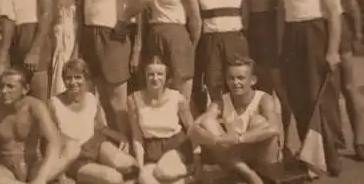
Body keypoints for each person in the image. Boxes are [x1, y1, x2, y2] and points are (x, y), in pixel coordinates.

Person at [277, 0, 342, 178]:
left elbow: (334, 15)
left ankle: (331, 158)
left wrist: (332, 50)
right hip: (292, 37)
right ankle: (311, 160)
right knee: (298, 98)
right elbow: (283, 14)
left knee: (318, 98)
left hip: (315, 33)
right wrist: (281, 44)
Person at [79, 0, 151, 138]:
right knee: (98, 96)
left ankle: (131, 143)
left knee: (117, 99)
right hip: (90, 35)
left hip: (110, 37)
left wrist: (123, 19)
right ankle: (115, 140)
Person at [306, 0, 364, 161]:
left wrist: (358, 33)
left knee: (348, 87)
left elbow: (351, 1)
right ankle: (331, 141)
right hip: (314, 30)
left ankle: (360, 140)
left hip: (339, 27)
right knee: (324, 91)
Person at [236, 0, 292, 154]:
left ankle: (288, 142)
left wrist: (279, 40)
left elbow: (281, 6)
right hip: (249, 30)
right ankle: (263, 144)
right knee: (257, 88)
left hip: (269, 28)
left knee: (279, 88)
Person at [0, 67, 79, 184]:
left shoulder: (35, 107)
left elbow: (54, 142)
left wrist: (41, 177)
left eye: (10, 86)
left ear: (25, 89)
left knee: (73, 146)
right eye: (1, 86)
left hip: (34, 167)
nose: (4, 91)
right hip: (6, 170)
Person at [189, 56, 282, 184]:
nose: (235, 82)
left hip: (261, 155)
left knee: (258, 121)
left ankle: (251, 172)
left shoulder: (263, 99)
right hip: (235, 155)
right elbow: (194, 128)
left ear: (253, 80)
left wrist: (240, 138)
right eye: (231, 78)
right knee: (207, 121)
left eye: (241, 78)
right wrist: (217, 140)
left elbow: (275, 128)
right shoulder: (221, 101)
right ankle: (247, 173)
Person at [48, 59, 137, 184]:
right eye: (69, 78)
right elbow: (51, 141)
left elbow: (98, 126)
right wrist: (61, 174)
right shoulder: (54, 104)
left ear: (85, 79)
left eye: (78, 77)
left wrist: (119, 136)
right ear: (63, 80)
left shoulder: (91, 98)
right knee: (113, 178)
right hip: (76, 156)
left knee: (127, 164)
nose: (73, 82)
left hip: (96, 144)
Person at [144, 0, 201, 101]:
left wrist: (192, 45)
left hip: (176, 34)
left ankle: (185, 124)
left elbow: (195, 17)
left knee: (181, 85)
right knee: (158, 84)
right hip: (155, 33)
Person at [195, 0, 249, 111]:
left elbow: (246, 20)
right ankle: (223, 121)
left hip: (234, 39)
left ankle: (242, 120)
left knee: (238, 81)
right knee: (214, 82)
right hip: (211, 41)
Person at [127, 56, 196, 184]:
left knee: (163, 172)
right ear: (145, 76)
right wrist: (141, 167)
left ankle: (191, 172)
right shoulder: (133, 100)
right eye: (151, 74)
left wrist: (197, 158)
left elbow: (192, 128)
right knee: (145, 179)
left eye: (160, 74)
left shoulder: (177, 98)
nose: (155, 78)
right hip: (151, 150)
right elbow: (137, 137)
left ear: (166, 77)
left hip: (176, 145)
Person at [46, 0, 83, 96]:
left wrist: (77, 47)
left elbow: (81, 19)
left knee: (68, 72)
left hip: (70, 35)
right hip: (54, 35)